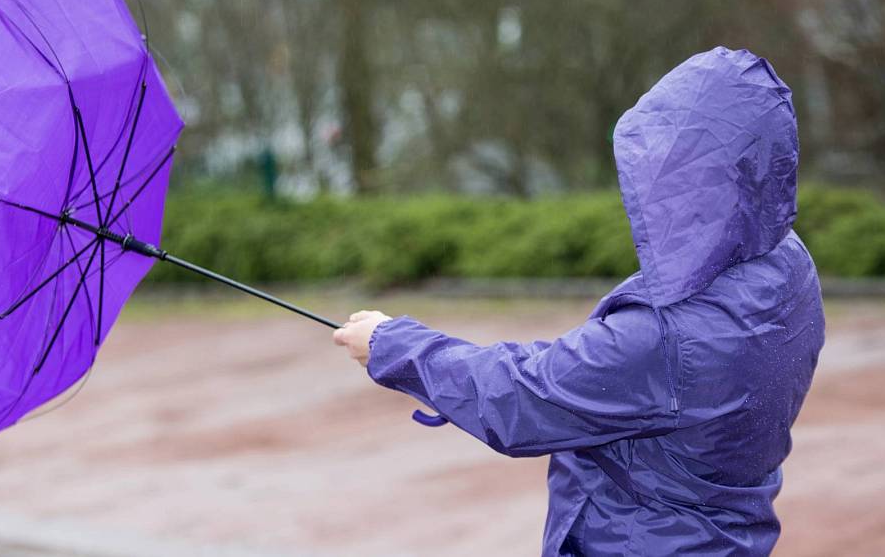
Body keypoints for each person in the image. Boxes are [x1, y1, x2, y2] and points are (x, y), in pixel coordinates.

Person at [334, 47, 825, 556]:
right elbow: (595, 370)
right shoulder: (788, 265)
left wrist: (393, 345)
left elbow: (522, 401)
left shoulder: (667, 337)